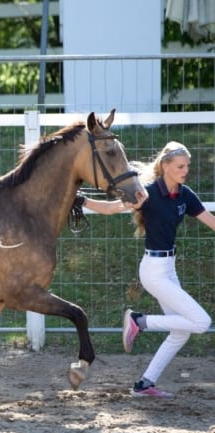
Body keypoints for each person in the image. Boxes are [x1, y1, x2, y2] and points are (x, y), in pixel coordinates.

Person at [79, 141, 215, 398]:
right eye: (180, 166)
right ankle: (138, 321)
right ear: (165, 166)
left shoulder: (185, 194)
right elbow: (110, 209)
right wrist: (81, 199)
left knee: (180, 332)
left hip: (168, 268)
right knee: (201, 321)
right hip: (153, 271)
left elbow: (211, 222)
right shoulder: (147, 193)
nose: (185, 170)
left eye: (187, 166)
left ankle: (144, 385)